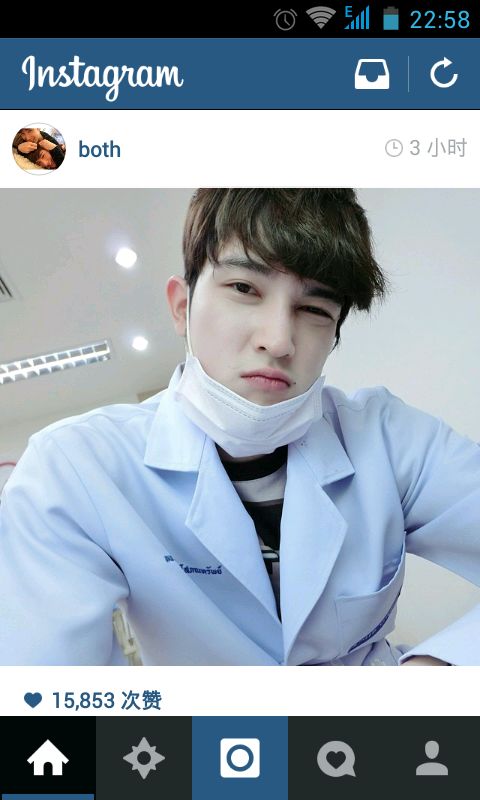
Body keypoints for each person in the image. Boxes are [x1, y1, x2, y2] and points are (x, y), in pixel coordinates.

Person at [0, 188, 479, 666]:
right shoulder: (75, 470)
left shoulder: (388, 439)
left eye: (315, 309)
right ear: (182, 307)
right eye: (244, 289)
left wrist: (437, 669)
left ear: (334, 335)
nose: (278, 340)